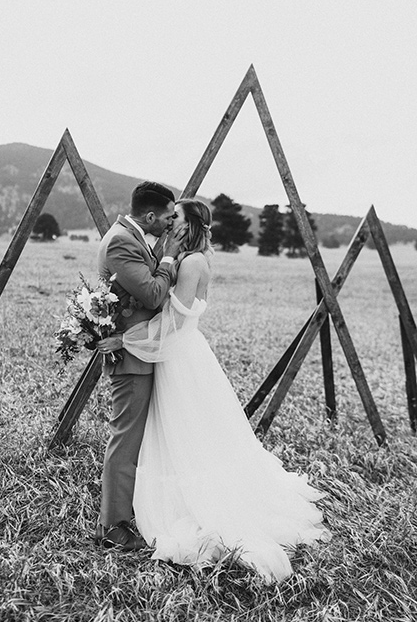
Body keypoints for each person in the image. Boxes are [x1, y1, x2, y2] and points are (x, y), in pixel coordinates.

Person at [98, 198, 330, 582]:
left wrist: (124, 341)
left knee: (187, 431)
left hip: (178, 356)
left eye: (178, 219)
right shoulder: (190, 257)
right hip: (178, 354)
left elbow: (172, 320)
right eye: (169, 217)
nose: (171, 223)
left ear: (189, 226)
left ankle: (196, 501)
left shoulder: (190, 263)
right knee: (183, 432)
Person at [95, 181, 186, 551]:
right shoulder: (120, 242)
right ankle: (112, 526)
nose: (169, 223)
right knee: (125, 440)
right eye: (166, 217)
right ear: (149, 215)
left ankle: (130, 512)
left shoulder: (133, 238)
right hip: (130, 358)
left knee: (136, 438)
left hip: (142, 353)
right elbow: (150, 292)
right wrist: (169, 258)